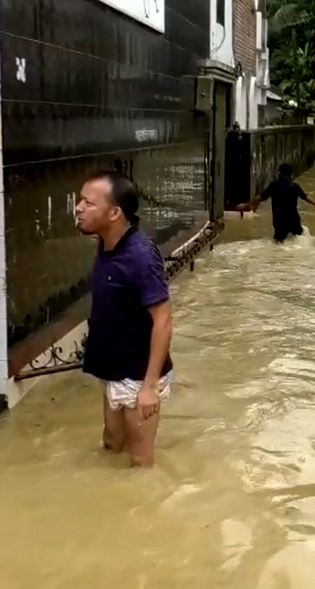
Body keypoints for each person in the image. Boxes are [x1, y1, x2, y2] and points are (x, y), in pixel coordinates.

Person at [74, 170, 173, 467]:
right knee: (112, 444)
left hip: (138, 375)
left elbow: (164, 319)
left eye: (89, 203)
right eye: (80, 200)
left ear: (115, 212)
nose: (78, 208)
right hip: (115, 369)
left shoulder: (139, 256)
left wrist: (150, 387)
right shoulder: (107, 242)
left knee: (141, 461)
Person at [235, 163, 315, 242]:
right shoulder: (295, 186)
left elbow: (259, 198)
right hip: (293, 220)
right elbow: (307, 199)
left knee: (279, 243)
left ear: (279, 173)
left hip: (279, 221)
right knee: (298, 240)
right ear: (290, 174)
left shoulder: (274, 185)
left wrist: (245, 205)